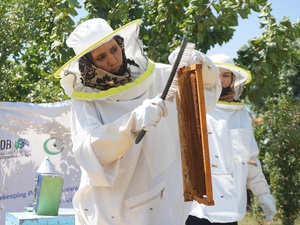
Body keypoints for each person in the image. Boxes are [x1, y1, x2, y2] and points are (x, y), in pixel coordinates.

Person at [55, 18, 222, 225]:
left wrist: (203, 69)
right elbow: (88, 150)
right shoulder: (86, 99)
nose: (112, 60)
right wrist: (131, 124)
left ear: (121, 44)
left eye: (114, 50)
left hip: (163, 199)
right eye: (101, 57)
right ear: (89, 63)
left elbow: (206, 100)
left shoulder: (159, 76)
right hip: (112, 209)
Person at [185, 54, 277, 225]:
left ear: (233, 79)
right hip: (196, 209)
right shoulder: (193, 108)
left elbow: (250, 160)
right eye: (216, 74)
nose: (220, 80)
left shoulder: (242, 114)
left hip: (230, 209)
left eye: (226, 75)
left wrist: (263, 194)